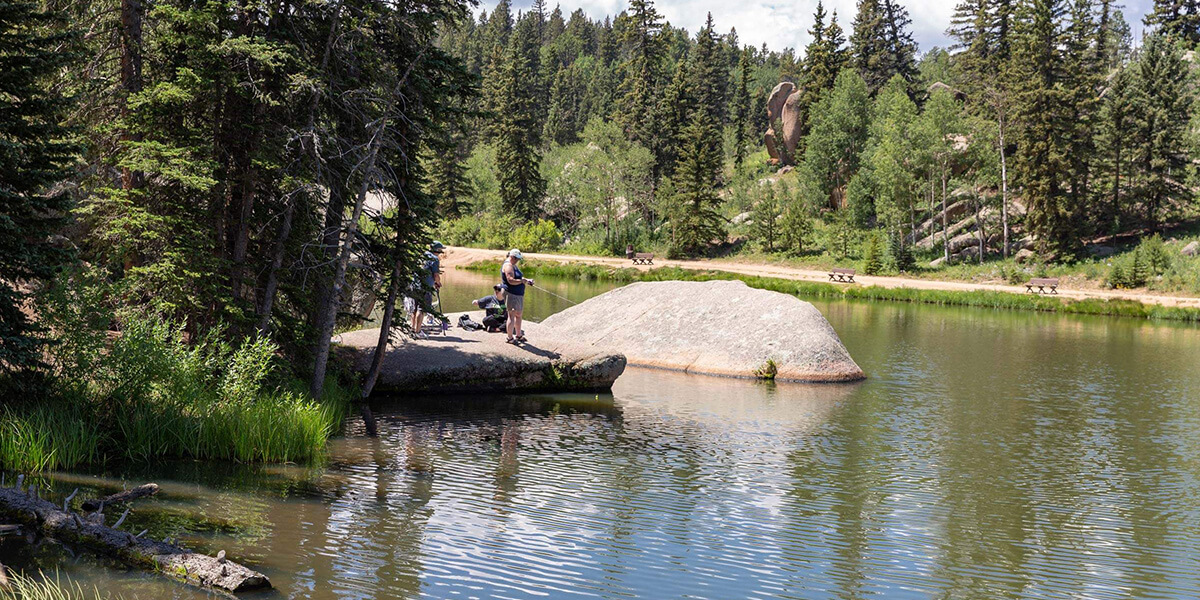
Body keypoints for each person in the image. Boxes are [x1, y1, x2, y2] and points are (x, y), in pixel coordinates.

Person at [406, 241, 445, 339]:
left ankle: (413, 329)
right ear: (437, 250)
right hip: (425, 288)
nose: (441, 251)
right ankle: (418, 332)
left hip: (414, 286)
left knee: (414, 309)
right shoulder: (435, 259)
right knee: (421, 309)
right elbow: (436, 275)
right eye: (440, 250)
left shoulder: (421, 256)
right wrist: (438, 283)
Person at [500, 248, 534, 344]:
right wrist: (521, 281)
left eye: (518, 259)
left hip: (518, 295)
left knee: (518, 315)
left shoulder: (513, 265)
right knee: (511, 315)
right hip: (511, 294)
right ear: (511, 257)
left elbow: (518, 277)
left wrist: (526, 280)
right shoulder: (508, 266)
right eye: (516, 258)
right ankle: (510, 338)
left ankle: (518, 335)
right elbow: (510, 280)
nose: (517, 260)